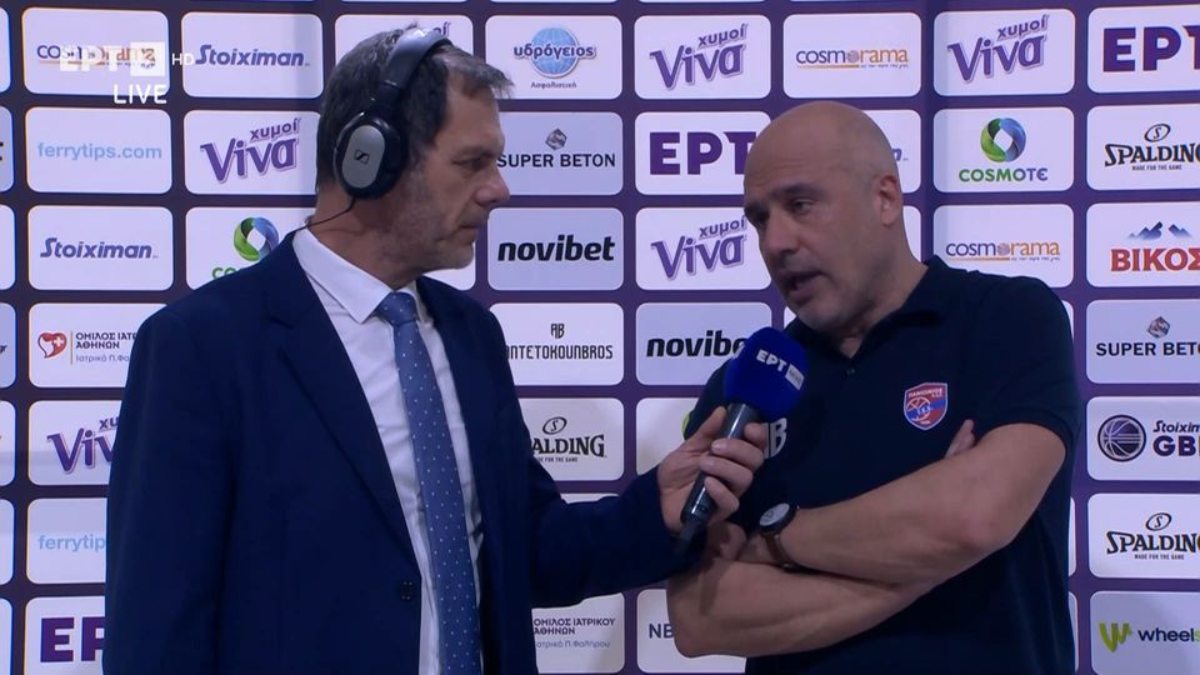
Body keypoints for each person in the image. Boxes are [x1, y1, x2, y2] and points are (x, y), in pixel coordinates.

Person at [105, 29, 767, 675]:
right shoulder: (203, 346)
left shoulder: (471, 334)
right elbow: (159, 622)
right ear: (371, 158)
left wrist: (654, 511)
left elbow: (528, 550)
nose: (500, 189)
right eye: (473, 162)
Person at [666, 101, 1080, 675]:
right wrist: (925, 566)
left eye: (800, 205)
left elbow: (974, 517)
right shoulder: (747, 387)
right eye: (759, 219)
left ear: (884, 198)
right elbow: (700, 617)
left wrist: (777, 536)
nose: (775, 241)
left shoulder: (1008, 317)